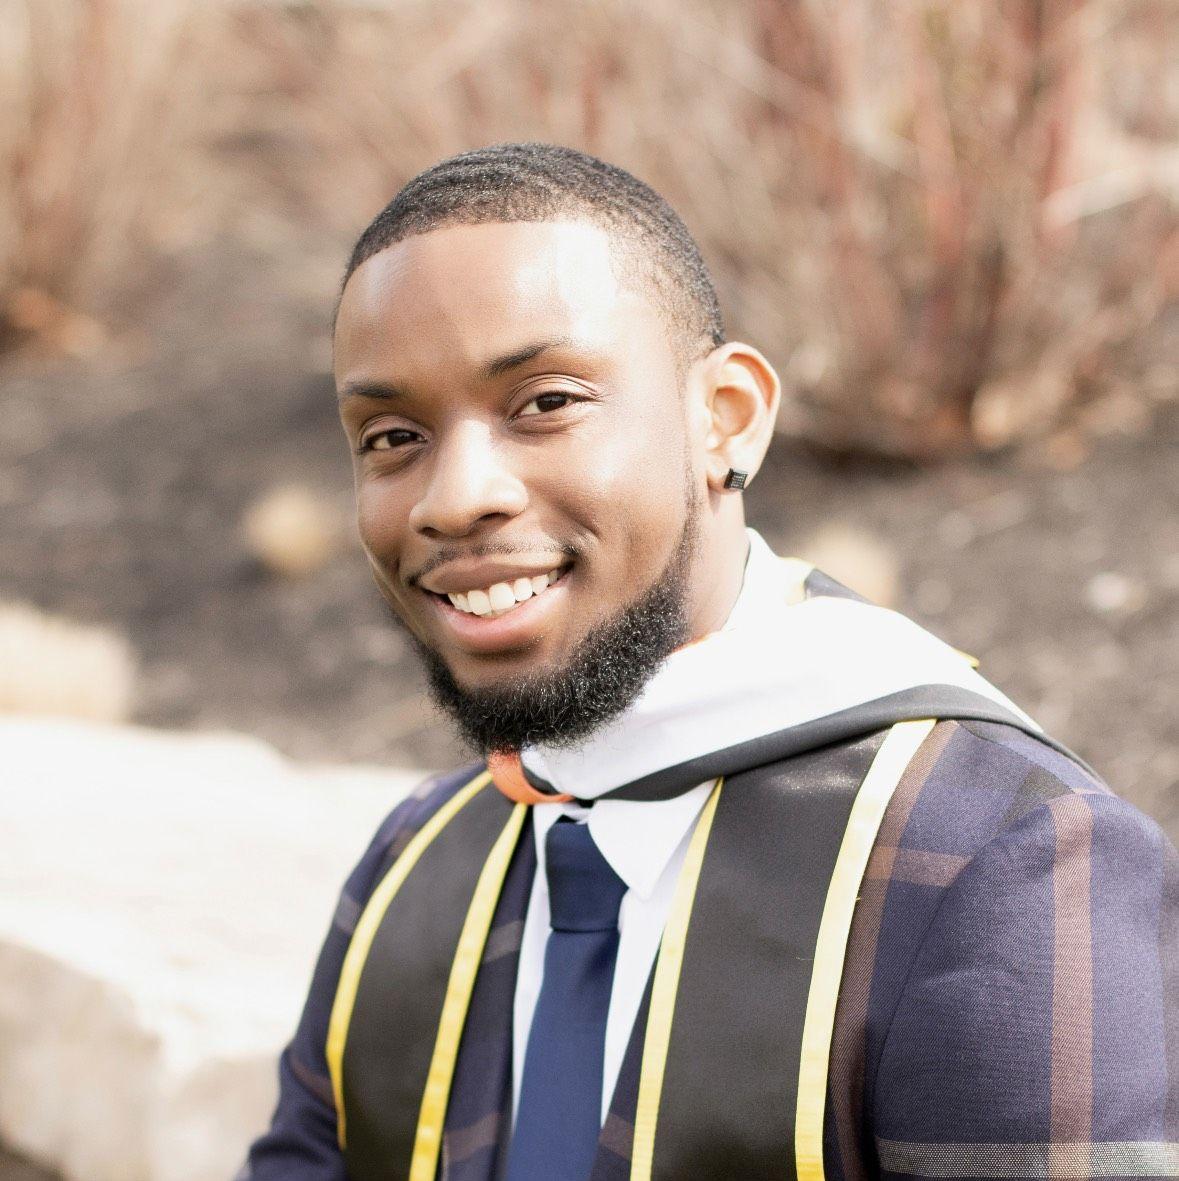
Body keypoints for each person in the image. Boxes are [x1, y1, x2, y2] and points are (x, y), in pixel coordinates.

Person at [239, 143, 1179, 1181]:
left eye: (546, 402)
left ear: (725, 418)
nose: (454, 498)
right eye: (390, 435)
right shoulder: (414, 862)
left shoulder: (1003, 866)